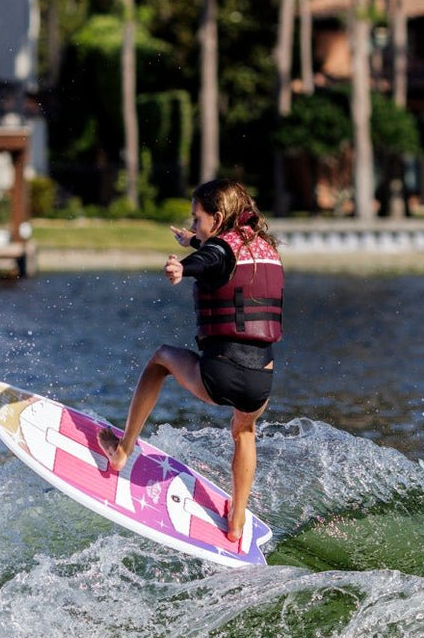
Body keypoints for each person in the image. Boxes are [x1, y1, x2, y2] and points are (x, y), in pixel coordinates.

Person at [96, 178, 283, 551]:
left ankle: (121, 452)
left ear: (218, 217)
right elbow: (221, 255)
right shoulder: (264, 247)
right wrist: (193, 240)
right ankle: (237, 521)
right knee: (244, 433)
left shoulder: (217, 250)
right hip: (261, 380)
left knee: (161, 358)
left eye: (198, 220)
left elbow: (211, 259)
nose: (194, 224)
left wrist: (183, 267)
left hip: (220, 375)